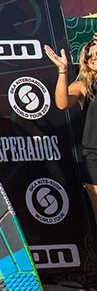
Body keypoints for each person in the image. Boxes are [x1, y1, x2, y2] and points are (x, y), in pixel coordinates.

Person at [45, 38, 97, 224]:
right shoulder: (84, 85)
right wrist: (62, 70)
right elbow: (62, 103)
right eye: (90, 55)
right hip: (94, 158)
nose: (94, 57)